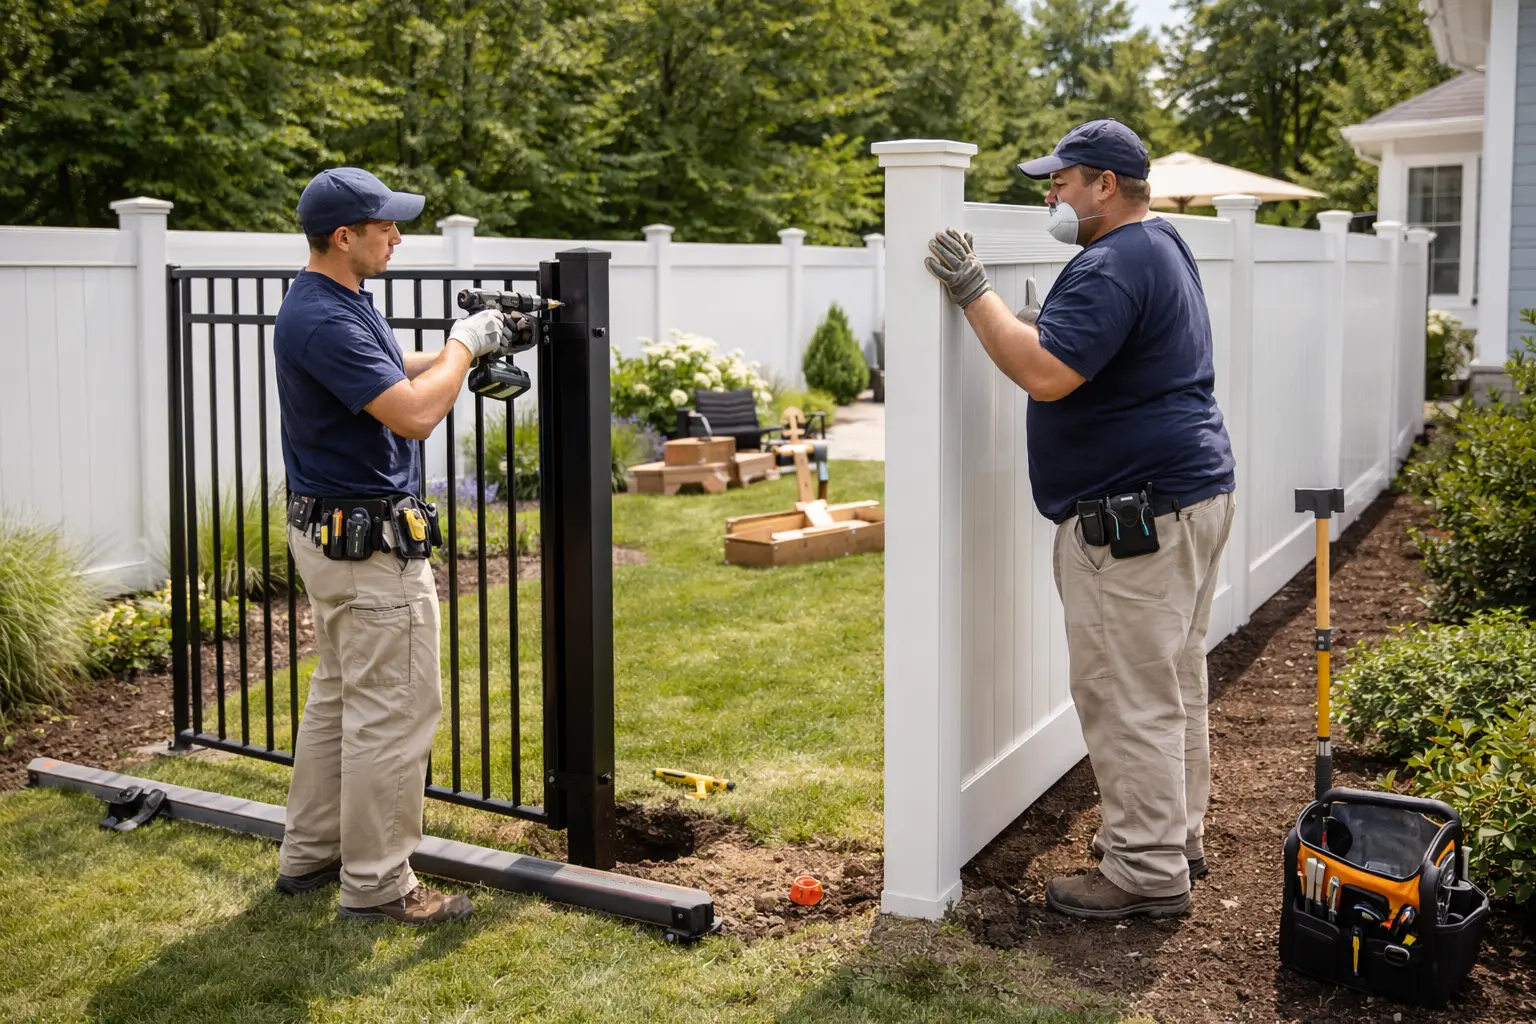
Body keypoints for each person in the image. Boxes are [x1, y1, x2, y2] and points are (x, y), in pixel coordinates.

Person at [924, 119, 1237, 920]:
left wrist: (974, 294)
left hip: (1134, 522)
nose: (1050, 193)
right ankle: (1177, 840)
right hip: (1193, 495)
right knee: (1171, 682)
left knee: (1127, 696)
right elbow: (1097, 354)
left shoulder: (1112, 260)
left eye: (1061, 179)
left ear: (1105, 184)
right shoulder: (1159, 244)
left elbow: (1045, 374)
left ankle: (1144, 873)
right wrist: (1044, 321)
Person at [271, 167, 523, 926]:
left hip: (331, 536)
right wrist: (459, 343)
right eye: (386, 227)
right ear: (343, 237)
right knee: (395, 709)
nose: (398, 237)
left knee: (340, 695)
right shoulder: (325, 318)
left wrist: (472, 347)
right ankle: (380, 886)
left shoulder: (335, 301)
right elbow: (414, 414)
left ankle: (311, 855)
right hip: (369, 547)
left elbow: (395, 374)